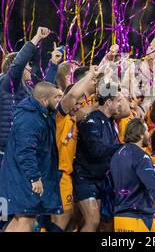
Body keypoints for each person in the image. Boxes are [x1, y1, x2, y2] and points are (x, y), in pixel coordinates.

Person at [0, 82, 63, 232]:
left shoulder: (39, 113)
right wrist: (34, 178)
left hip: (21, 177)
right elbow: (25, 151)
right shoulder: (30, 119)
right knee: (25, 220)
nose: (60, 101)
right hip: (22, 178)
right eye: (57, 97)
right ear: (44, 101)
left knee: (22, 219)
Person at [110, 118, 155, 232]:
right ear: (140, 135)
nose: (148, 135)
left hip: (120, 218)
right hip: (138, 218)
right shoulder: (141, 156)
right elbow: (154, 187)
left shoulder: (116, 155)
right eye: (146, 131)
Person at [51, 66, 100, 231]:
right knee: (59, 223)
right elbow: (72, 94)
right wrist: (90, 75)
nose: (79, 106)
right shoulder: (60, 117)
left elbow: (90, 107)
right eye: (77, 104)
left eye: (81, 104)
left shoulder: (73, 119)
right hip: (56, 174)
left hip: (66, 176)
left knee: (67, 222)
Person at [0, 27, 57, 165]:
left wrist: (53, 64)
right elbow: (18, 64)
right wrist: (36, 39)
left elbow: (44, 94)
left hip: (21, 150)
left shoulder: (28, 89)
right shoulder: (8, 85)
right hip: (6, 153)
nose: (30, 68)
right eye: (28, 65)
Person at [72, 82, 122, 232]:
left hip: (99, 178)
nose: (120, 104)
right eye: (118, 100)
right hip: (85, 178)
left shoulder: (109, 122)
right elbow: (96, 150)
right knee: (92, 221)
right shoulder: (92, 121)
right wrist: (121, 147)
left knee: (93, 222)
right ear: (108, 102)